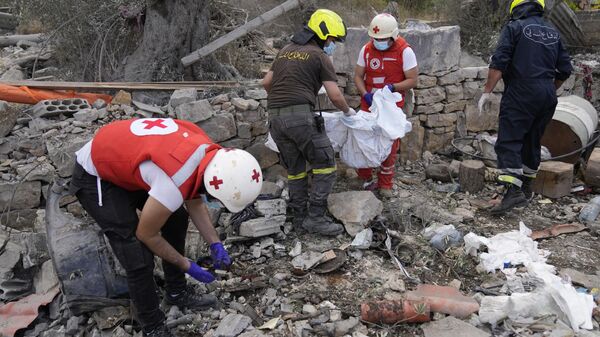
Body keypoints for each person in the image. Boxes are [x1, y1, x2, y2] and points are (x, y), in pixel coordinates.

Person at [69, 117, 263, 337]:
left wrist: (215, 243)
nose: (215, 202)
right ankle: (152, 326)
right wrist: (186, 265)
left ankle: (177, 291)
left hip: (134, 161)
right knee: (136, 253)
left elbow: (193, 196)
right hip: (96, 174)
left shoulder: (210, 154)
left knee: (177, 217)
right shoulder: (173, 181)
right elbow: (147, 234)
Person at [262, 9, 355, 236]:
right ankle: (316, 218)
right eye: (332, 39)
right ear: (323, 35)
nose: (332, 44)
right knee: (325, 166)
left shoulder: (285, 51)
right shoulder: (318, 56)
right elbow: (334, 95)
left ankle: (299, 217)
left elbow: (266, 83)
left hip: (275, 119)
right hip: (301, 118)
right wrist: (348, 112)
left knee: (295, 170)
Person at [479, 0, 572, 215]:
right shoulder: (552, 31)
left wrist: (487, 91)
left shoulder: (514, 28)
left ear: (516, 9)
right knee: (532, 140)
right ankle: (526, 188)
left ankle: (513, 192)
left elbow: (499, 61)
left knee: (509, 140)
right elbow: (565, 68)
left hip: (521, 91)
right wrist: (548, 89)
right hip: (547, 93)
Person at [353, 13, 418, 198]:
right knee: (364, 139)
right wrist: (365, 94)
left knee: (390, 143)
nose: (377, 42)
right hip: (369, 104)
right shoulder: (366, 50)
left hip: (391, 108)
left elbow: (413, 79)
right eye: (375, 39)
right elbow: (358, 76)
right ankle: (364, 177)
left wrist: (393, 87)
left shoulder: (405, 51)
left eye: (382, 39)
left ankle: (385, 184)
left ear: (393, 35)